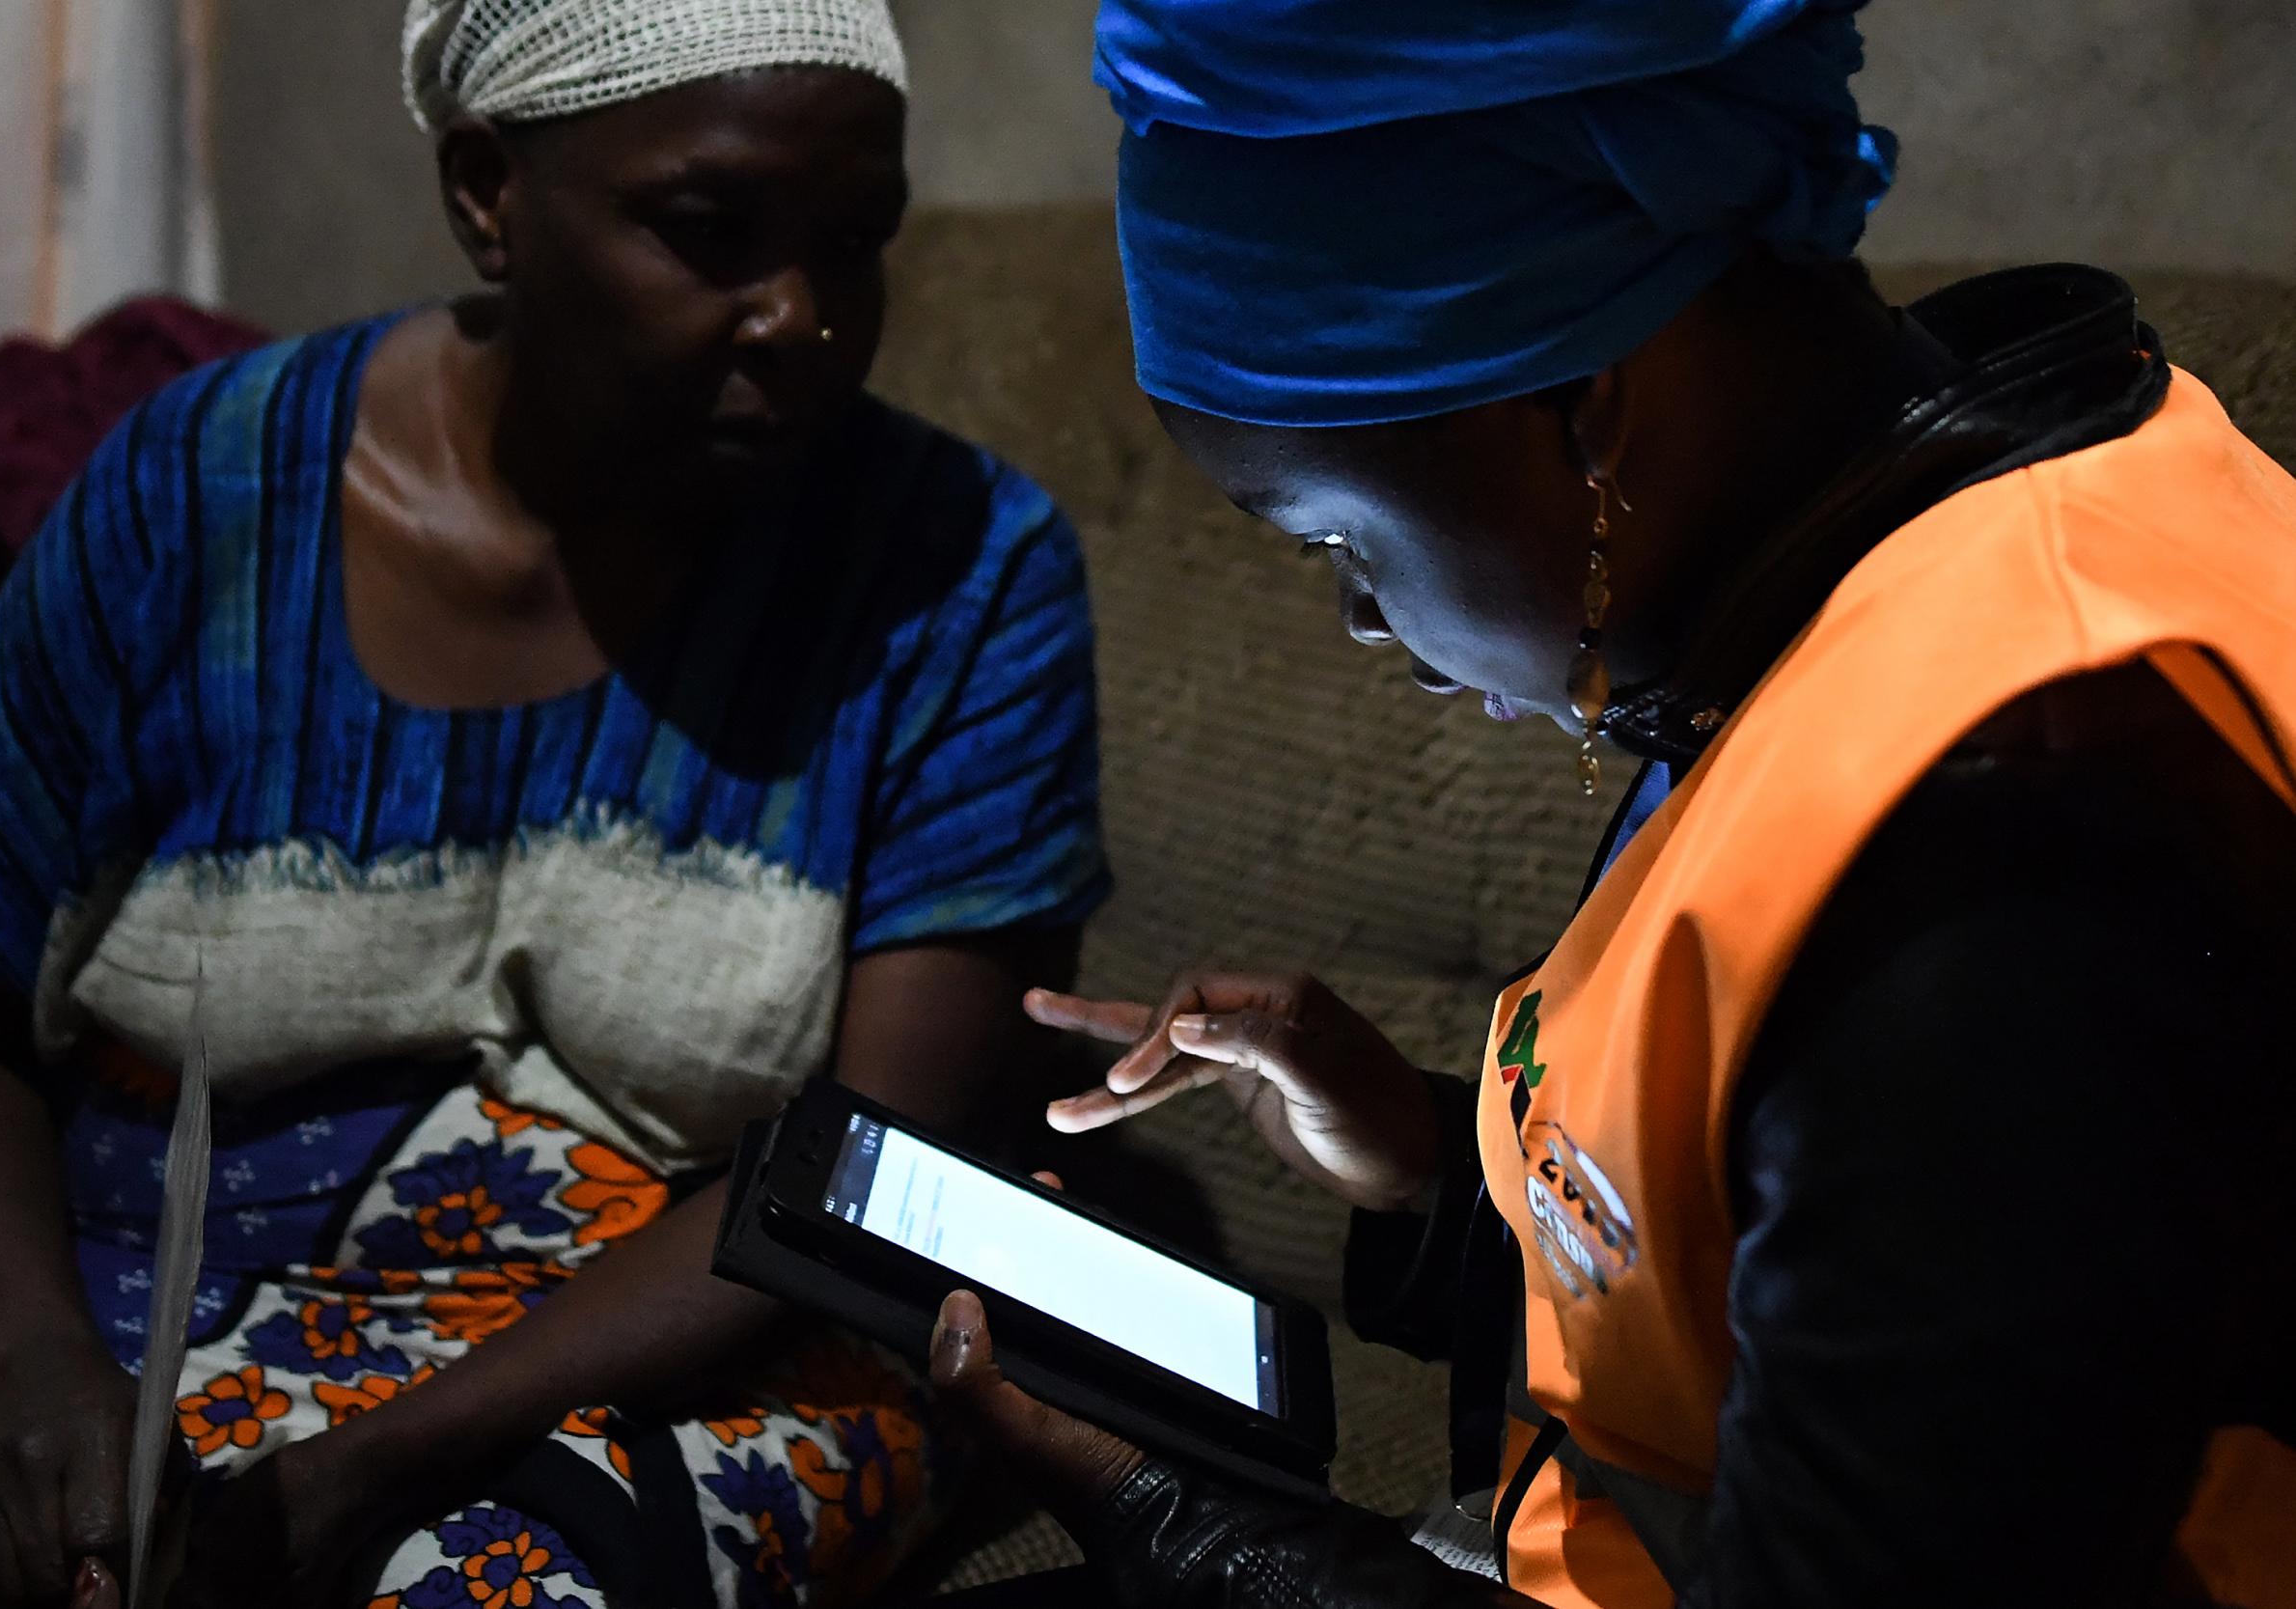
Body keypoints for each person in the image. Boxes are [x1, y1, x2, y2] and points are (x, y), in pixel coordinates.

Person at [923, 2, 2296, 1606]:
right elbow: (1786, 1292)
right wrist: (1434, 1169)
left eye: (1339, 543)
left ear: (1580, 406)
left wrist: (1195, 1533)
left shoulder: (2008, 863)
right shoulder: (1936, 527)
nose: (1366, 631)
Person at [0, 2, 1111, 1605]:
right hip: (152, 1287)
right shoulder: (199, 496)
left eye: (853, 242)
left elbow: (877, 1172)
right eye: (710, 233)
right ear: (488, 194)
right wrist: (27, 1361)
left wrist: (369, 1467)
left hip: (706, 1337)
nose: (802, 316)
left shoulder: (960, 575)